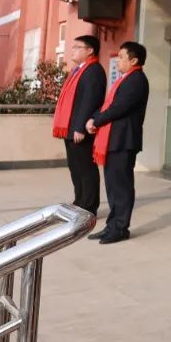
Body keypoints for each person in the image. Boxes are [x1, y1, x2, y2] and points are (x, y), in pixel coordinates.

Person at [85, 41, 150, 245]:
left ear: (134, 60)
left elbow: (119, 108)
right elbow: (108, 105)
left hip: (124, 140)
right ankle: (111, 226)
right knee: (113, 186)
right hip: (114, 139)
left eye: (122, 57)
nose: (118, 60)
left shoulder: (137, 80)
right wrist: (94, 117)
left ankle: (120, 228)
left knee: (121, 187)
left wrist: (96, 120)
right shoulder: (125, 79)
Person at [52, 35, 106, 217]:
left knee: (85, 167)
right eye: (73, 47)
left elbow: (89, 101)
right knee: (75, 167)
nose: (73, 50)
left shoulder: (94, 71)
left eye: (77, 47)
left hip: (79, 129)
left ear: (90, 50)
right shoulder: (79, 70)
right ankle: (80, 201)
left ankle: (89, 206)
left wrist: (80, 128)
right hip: (70, 127)